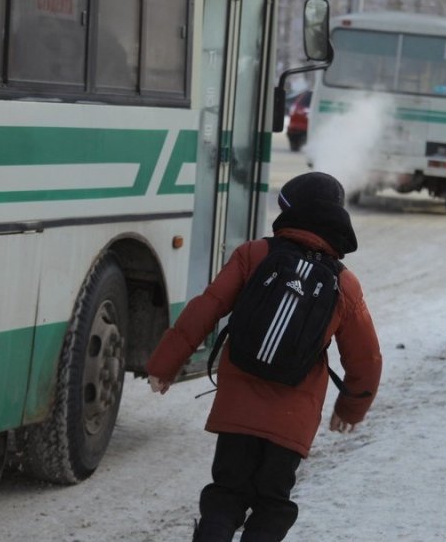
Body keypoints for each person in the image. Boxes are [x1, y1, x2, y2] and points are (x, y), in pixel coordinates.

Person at [146, 172, 382, 542]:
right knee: (273, 503)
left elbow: (205, 308)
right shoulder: (344, 284)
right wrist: (350, 408)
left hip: (238, 408)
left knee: (226, 494)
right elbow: (366, 358)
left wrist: (165, 364)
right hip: (292, 420)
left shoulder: (255, 254)